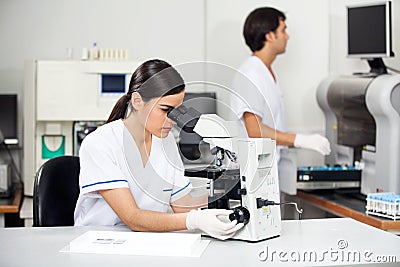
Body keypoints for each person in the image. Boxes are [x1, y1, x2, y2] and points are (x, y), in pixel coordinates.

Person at [74, 59, 243, 240]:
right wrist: (194, 220)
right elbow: (133, 218)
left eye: (178, 111)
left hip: (148, 240)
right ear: (137, 101)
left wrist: (228, 189)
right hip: (100, 243)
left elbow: (183, 205)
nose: (173, 119)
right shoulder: (100, 144)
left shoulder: (165, 141)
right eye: (166, 110)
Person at [231, 7, 331, 165]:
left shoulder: (265, 72)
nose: (287, 36)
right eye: (283, 30)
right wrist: (298, 140)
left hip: (270, 170)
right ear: (270, 36)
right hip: (253, 175)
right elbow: (255, 130)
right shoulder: (251, 74)